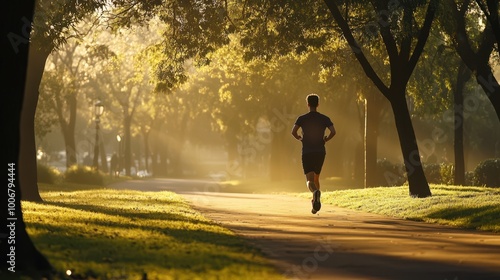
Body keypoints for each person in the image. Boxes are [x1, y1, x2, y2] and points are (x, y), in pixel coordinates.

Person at [291, 94, 336, 214]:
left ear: (308, 104)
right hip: (320, 152)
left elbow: (293, 131)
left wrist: (300, 138)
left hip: (307, 152)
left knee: (310, 181)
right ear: (318, 104)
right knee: (317, 177)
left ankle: (315, 193)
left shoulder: (302, 118)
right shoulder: (324, 118)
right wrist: (326, 139)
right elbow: (333, 131)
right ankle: (315, 202)